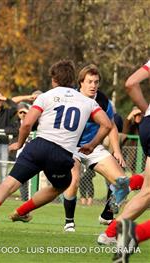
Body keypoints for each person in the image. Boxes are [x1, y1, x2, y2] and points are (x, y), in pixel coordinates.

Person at [0, 60, 112, 230]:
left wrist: (19, 143)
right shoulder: (88, 102)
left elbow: (26, 124)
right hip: (61, 154)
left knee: (9, 184)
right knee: (61, 186)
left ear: (54, 80)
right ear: (73, 80)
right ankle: (21, 211)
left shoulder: (45, 96)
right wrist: (92, 145)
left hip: (38, 146)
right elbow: (107, 125)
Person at [61, 64, 133, 233]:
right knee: (74, 181)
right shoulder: (69, 96)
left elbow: (112, 126)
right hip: (71, 146)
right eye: (90, 81)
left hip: (93, 147)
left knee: (123, 182)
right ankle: (69, 222)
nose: (93, 85)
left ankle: (107, 215)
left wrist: (116, 150)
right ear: (81, 83)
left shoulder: (103, 100)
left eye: (96, 82)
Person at [103, 59, 150, 260]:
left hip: (148, 124)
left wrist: (146, 110)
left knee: (148, 191)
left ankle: (111, 233)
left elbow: (131, 83)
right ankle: (132, 237)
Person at [0, 90, 37, 189]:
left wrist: (4, 98)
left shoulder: (6, 112)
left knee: (3, 169)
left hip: (3, 143)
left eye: (0, 100)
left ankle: (2, 190)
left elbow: (15, 107)